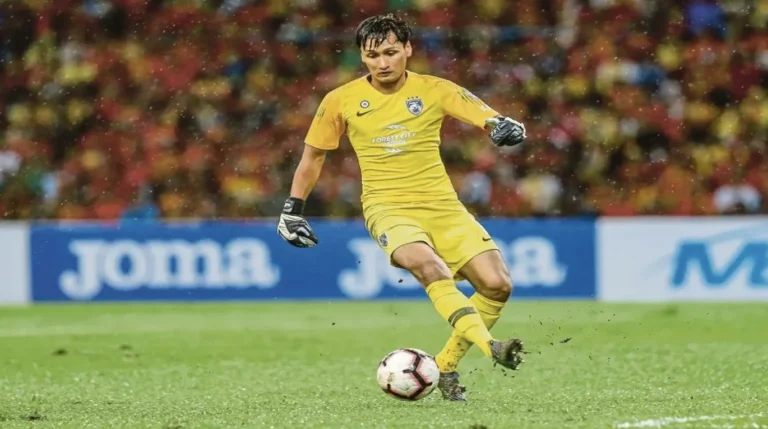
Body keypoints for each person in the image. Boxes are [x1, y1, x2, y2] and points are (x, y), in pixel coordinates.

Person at [277, 13, 527, 402]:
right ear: (362, 56)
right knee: (430, 267)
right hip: (387, 207)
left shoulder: (435, 89)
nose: (382, 63)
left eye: (391, 52)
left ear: (408, 49)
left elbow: (485, 115)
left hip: (443, 206)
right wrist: (292, 209)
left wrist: (501, 125)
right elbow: (313, 157)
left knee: (497, 285)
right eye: (373, 55)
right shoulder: (340, 100)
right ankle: (491, 346)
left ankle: (445, 366)